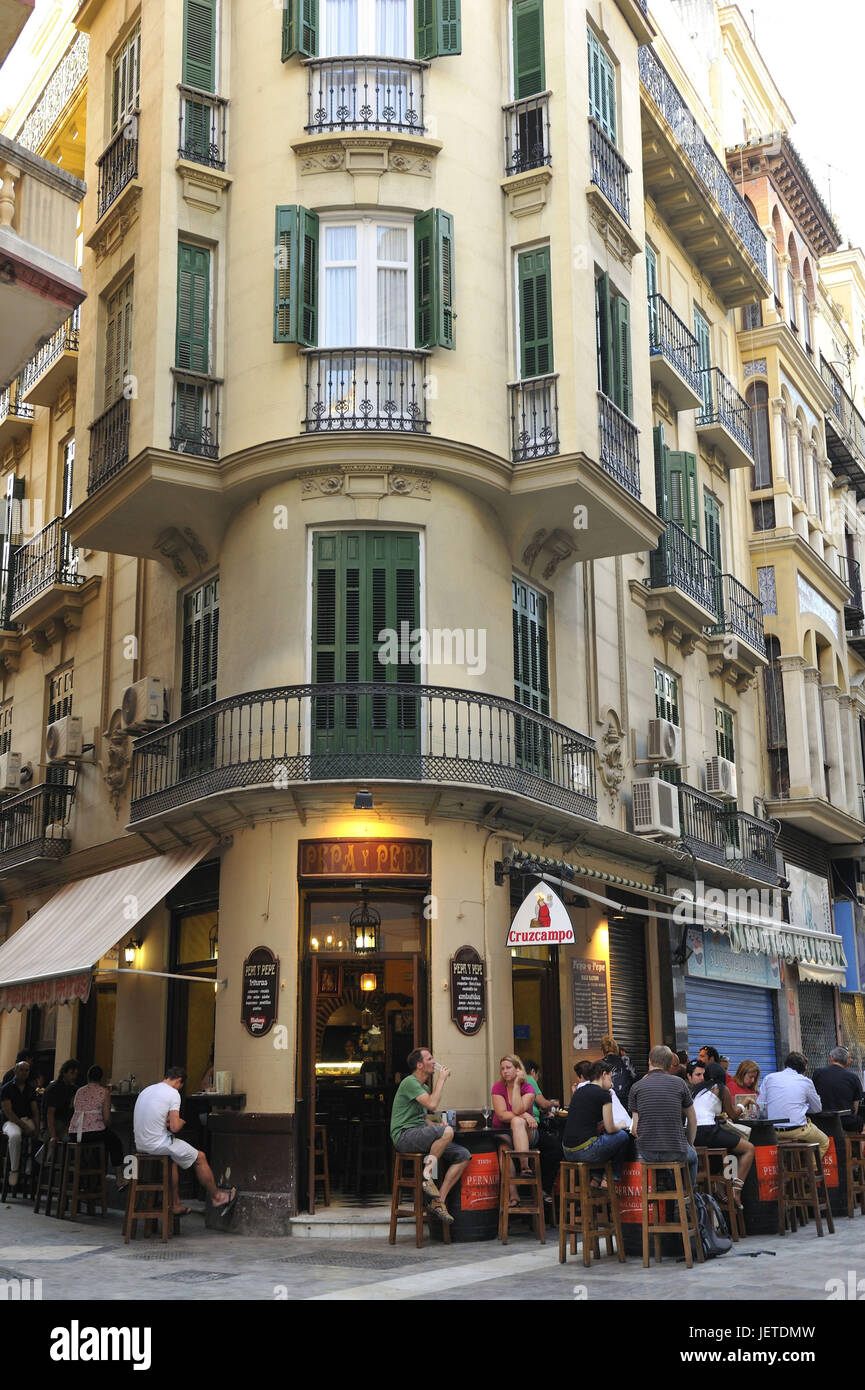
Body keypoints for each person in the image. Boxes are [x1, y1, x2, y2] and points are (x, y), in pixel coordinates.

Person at [133, 1067, 237, 1217]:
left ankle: (176, 1204)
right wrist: (181, 1122)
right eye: (181, 1086)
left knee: (172, 1161)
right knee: (200, 1157)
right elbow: (175, 1128)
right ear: (179, 1082)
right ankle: (217, 1197)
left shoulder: (147, 1090)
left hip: (141, 1144)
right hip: (158, 1144)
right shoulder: (173, 1093)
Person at [389, 1047, 470, 1223]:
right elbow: (433, 1105)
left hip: (417, 1133)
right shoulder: (409, 1082)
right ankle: (427, 1176)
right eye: (430, 1059)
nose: (434, 1062)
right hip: (404, 1136)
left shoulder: (423, 1087)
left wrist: (436, 1125)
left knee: (463, 1155)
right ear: (419, 1065)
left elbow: (424, 1117)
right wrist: (441, 1079)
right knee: (447, 1132)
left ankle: (438, 1201)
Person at [629, 1044, 699, 1191]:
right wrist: (690, 1143)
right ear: (669, 1065)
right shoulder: (680, 1083)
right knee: (692, 1158)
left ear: (649, 1061)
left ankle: (660, 1205)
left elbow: (635, 1129)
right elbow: (692, 1119)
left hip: (646, 1152)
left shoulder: (636, 1087)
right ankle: (685, 1201)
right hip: (676, 1151)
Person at [688, 1062, 754, 1207]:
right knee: (748, 1148)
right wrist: (745, 1103)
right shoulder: (721, 1088)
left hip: (692, 1134)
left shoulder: (697, 1090)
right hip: (708, 1131)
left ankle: (718, 1186)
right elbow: (733, 1114)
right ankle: (736, 1190)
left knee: (724, 1150)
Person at [562, 1061, 631, 1186]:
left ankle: (596, 1178)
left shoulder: (579, 1091)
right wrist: (621, 1124)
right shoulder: (604, 1094)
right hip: (585, 1151)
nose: (612, 1083)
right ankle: (610, 1179)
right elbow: (610, 1128)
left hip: (567, 1151)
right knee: (622, 1136)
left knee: (601, 1139)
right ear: (604, 1074)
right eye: (611, 1077)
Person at [756, 1052, 830, 1156]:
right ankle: (811, 1169)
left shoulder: (769, 1078)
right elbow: (817, 1109)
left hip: (772, 1131)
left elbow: (760, 1106)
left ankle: (789, 1168)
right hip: (797, 1131)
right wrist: (803, 1108)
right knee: (824, 1142)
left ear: (785, 1065)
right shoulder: (806, 1082)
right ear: (803, 1070)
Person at [68, 1064, 128, 1187]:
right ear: (101, 1078)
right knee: (115, 1142)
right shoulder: (104, 1092)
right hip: (93, 1133)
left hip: (74, 1133)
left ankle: (84, 1180)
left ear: (88, 1077)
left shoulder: (79, 1091)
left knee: (103, 1142)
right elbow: (106, 1119)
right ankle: (119, 1178)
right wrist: (109, 1124)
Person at [491, 1055, 540, 1188]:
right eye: (502, 1069)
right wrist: (525, 1114)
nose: (505, 1071)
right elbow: (501, 1115)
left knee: (517, 1121)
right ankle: (513, 1195)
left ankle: (524, 1166)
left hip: (527, 1132)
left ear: (518, 1069)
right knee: (503, 1150)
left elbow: (517, 1109)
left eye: (508, 1068)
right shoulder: (498, 1087)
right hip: (504, 1133)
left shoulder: (528, 1088)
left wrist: (517, 1085)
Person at [523, 1059, 563, 1205]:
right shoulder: (529, 1079)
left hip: (524, 1127)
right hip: (531, 1127)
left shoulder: (516, 1081)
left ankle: (532, 1189)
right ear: (533, 1072)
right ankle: (543, 1188)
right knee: (556, 1149)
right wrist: (553, 1103)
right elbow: (544, 1103)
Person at [0, 1060, 40, 1192]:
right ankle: (14, 1169)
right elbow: (8, 1112)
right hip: (10, 1122)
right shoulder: (6, 1088)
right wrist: (24, 1126)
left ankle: (30, 1164)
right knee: (16, 1136)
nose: (24, 1072)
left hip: (26, 1119)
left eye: (27, 1070)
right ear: (15, 1071)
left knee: (37, 1135)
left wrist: (37, 1126)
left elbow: (34, 1110)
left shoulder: (30, 1089)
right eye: (21, 1069)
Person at [813, 1046, 864, 1133]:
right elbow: (856, 1103)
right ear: (847, 1061)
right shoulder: (853, 1077)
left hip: (822, 1120)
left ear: (832, 1058)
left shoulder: (818, 1073)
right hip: (846, 1121)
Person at [44, 1058, 80, 1142]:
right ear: (64, 1073)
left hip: (67, 1123)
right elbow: (50, 1113)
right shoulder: (54, 1088)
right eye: (72, 1073)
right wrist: (53, 1135)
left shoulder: (73, 1088)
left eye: (76, 1074)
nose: (74, 1077)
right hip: (53, 1124)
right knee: (67, 1136)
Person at [600, 1033, 636, 1107]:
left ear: (603, 1049)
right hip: (625, 1101)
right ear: (616, 1047)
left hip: (608, 1101)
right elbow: (635, 1077)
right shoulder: (626, 1061)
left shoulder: (600, 1064)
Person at [727, 1060, 761, 1135]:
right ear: (742, 1074)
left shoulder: (754, 1091)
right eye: (750, 1077)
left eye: (755, 1078)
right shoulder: (730, 1087)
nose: (753, 1081)